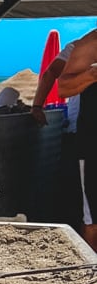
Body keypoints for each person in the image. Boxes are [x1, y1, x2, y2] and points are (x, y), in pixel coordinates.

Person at [31, 39, 83, 231]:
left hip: (80, 134)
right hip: (80, 133)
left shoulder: (79, 47)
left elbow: (50, 73)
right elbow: (51, 72)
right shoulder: (78, 48)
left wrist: (37, 105)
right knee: (77, 196)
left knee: (78, 196)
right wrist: (37, 105)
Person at [56, 28, 97, 251]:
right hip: (93, 145)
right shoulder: (91, 43)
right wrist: (92, 75)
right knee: (93, 221)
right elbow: (63, 87)